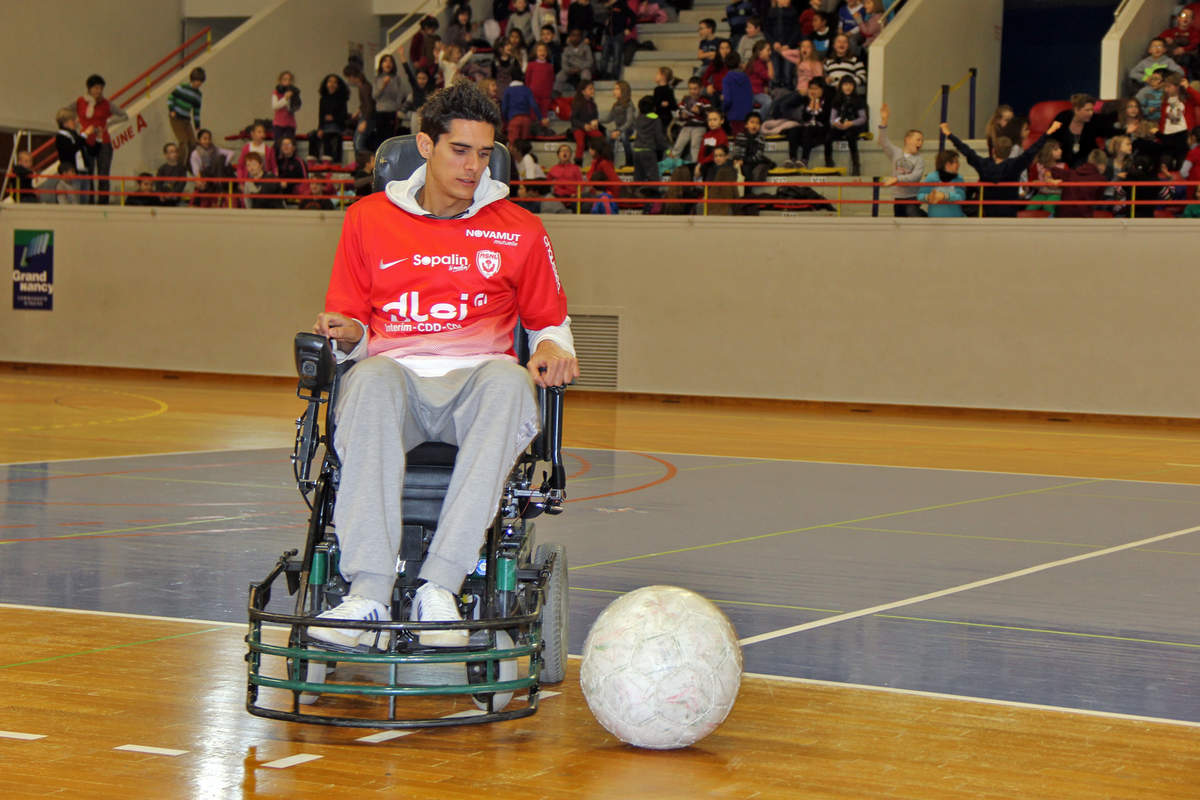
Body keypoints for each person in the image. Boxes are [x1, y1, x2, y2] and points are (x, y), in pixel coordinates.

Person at [308, 81, 577, 648]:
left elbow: (550, 324)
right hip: (396, 380)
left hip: (478, 385)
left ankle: (440, 587)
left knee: (510, 381)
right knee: (369, 377)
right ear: (426, 145)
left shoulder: (520, 229)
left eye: (483, 153)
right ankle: (368, 595)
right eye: (460, 151)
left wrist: (554, 347)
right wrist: (349, 334)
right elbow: (350, 324)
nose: (473, 167)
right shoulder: (366, 219)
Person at [942, 118, 1062, 217]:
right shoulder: (1014, 165)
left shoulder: (983, 164)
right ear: (1009, 151)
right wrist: (1049, 131)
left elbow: (966, 150)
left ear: (993, 150)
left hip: (988, 212)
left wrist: (949, 134)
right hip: (1009, 212)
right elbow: (1033, 150)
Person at [76, 74, 127, 205]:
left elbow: (124, 115)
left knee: (103, 175)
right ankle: (89, 203)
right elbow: (67, 114)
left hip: (103, 141)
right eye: (96, 88)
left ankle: (103, 203)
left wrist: (109, 123)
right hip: (86, 142)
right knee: (88, 175)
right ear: (89, 88)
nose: (98, 91)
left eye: (101, 88)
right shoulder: (80, 102)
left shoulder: (106, 104)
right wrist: (78, 126)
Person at [877, 102, 925, 217]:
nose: (920, 143)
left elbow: (915, 177)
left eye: (922, 141)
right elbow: (883, 141)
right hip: (898, 198)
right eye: (918, 140)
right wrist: (884, 121)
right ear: (907, 140)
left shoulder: (919, 160)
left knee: (913, 219)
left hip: (912, 198)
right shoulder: (896, 152)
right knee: (900, 222)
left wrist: (897, 179)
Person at [1048, 94, 1105, 167]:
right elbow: (1049, 139)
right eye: (1087, 110)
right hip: (1061, 161)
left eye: (1092, 110)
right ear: (1076, 110)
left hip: (1085, 163)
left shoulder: (1093, 121)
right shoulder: (1062, 118)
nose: (1091, 113)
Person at [785, 80, 831, 168]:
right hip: (808, 130)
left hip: (821, 130)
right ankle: (792, 158)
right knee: (793, 130)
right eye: (811, 89)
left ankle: (804, 159)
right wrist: (811, 103)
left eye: (816, 89)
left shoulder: (827, 102)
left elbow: (822, 118)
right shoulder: (807, 101)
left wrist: (816, 105)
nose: (813, 91)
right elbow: (805, 118)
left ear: (822, 90)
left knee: (808, 129)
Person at [828, 75, 866, 174]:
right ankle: (829, 163)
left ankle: (856, 165)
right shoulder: (836, 100)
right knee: (828, 137)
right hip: (840, 126)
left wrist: (851, 123)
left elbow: (863, 118)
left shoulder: (859, 100)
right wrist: (837, 124)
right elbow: (831, 119)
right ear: (841, 86)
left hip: (853, 126)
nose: (848, 87)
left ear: (854, 86)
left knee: (851, 136)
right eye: (845, 84)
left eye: (850, 84)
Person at [731, 111, 774, 197]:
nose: (754, 125)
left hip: (754, 161)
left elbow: (758, 156)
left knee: (747, 168)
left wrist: (744, 161)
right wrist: (737, 159)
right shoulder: (740, 135)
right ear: (746, 125)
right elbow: (737, 151)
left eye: (757, 123)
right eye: (752, 122)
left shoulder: (760, 138)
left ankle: (747, 194)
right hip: (742, 161)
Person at [1158, 73, 1200, 161]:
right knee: (1165, 161)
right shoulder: (1164, 102)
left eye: (1169, 86)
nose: (1166, 89)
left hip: (1183, 135)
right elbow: (1163, 121)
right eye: (1165, 87)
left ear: (1177, 86)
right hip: (1168, 136)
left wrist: (1188, 88)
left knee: (1182, 161)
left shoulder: (1187, 99)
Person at [631, 95, 668, 192]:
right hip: (648, 152)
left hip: (636, 151)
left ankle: (636, 198)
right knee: (653, 180)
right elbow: (659, 138)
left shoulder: (639, 118)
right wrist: (667, 149)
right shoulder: (656, 120)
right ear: (654, 108)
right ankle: (653, 200)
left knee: (638, 179)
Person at [1057, 149, 1109, 218]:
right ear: (1102, 165)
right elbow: (1097, 199)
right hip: (1083, 217)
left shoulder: (1072, 173)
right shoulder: (1101, 179)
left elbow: (1053, 170)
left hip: (1063, 215)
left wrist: (1050, 179)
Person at [167, 67, 205, 161]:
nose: (199, 84)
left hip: (186, 119)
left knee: (192, 143)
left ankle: (189, 163)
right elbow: (170, 97)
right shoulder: (182, 87)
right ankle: (179, 164)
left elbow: (196, 111)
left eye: (201, 82)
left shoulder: (198, 95)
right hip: (176, 118)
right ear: (192, 80)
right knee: (183, 142)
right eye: (197, 81)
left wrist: (197, 125)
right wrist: (171, 109)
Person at [671, 77, 713, 160]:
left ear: (701, 88)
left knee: (695, 146)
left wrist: (700, 111)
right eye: (690, 89)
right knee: (678, 145)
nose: (692, 91)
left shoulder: (705, 101)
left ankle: (695, 163)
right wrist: (681, 115)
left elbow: (710, 115)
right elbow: (678, 112)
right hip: (687, 126)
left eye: (695, 89)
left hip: (699, 126)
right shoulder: (686, 99)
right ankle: (673, 163)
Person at [915, 150, 966, 217]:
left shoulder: (959, 178)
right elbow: (919, 196)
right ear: (947, 164)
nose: (959, 165)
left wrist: (944, 196)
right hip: (935, 220)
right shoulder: (932, 177)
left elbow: (961, 197)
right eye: (956, 162)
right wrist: (928, 197)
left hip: (955, 219)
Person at [54, 108, 89, 203]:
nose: (76, 122)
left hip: (83, 171)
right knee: (74, 200)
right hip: (72, 172)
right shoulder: (61, 137)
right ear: (65, 123)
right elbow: (72, 149)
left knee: (85, 200)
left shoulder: (75, 135)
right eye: (73, 120)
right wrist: (84, 135)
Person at [373, 55, 408, 144]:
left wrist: (398, 107)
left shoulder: (396, 78)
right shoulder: (377, 78)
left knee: (391, 138)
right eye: (385, 61)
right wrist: (383, 85)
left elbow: (401, 94)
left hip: (392, 111)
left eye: (390, 61)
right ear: (381, 64)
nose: (388, 63)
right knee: (380, 138)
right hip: (380, 111)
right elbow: (375, 96)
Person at [501, 68, 542, 143]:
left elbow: (504, 107)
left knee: (513, 143)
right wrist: (540, 118)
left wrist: (506, 119)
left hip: (514, 118)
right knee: (524, 143)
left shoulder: (508, 90)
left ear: (510, 77)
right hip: (526, 119)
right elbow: (534, 105)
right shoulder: (526, 89)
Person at [317, 73, 350, 162]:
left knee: (328, 136)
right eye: (330, 82)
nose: (332, 84)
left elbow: (344, 116)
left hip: (338, 126)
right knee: (313, 135)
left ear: (338, 85)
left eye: (334, 82)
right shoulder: (323, 99)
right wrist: (320, 128)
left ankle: (330, 160)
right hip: (326, 126)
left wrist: (333, 118)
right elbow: (321, 115)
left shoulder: (342, 99)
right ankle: (314, 160)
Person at [344, 64, 376, 154]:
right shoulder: (363, 86)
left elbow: (369, 105)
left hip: (367, 118)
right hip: (366, 117)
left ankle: (363, 160)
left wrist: (365, 121)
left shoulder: (364, 87)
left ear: (352, 77)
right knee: (358, 141)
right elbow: (365, 103)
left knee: (358, 142)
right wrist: (358, 111)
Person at [570, 80, 604, 163]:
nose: (593, 90)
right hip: (578, 127)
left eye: (593, 88)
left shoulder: (593, 104)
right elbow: (573, 119)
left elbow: (595, 117)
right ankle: (578, 163)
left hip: (589, 128)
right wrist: (583, 126)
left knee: (600, 137)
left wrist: (595, 122)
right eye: (590, 89)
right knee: (580, 143)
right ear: (583, 91)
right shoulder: (577, 103)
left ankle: (598, 160)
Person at [604, 80, 636, 164]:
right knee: (608, 135)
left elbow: (629, 122)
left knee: (624, 135)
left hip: (629, 128)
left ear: (623, 91)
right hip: (619, 129)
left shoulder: (629, 105)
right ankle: (609, 161)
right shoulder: (615, 105)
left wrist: (619, 131)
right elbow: (609, 118)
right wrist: (597, 119)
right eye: (614, 89)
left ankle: (629, 162)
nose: (614, 91)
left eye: (617, 89)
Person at [555, 28, 595, 96]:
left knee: (586, 74)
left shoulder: (586, 47)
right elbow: (564, 63)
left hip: (582, 68)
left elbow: (590, 61)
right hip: (570, 69)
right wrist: (569, 69)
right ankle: (556, 93)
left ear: (581, 37)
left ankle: (584, 94)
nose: (576, 38)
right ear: (569, 37)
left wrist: (580, 68)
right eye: (573, 35)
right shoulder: (566, 49)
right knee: (560, 75)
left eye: (578, 35)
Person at [721, 53, 754, 134]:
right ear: (739, 63)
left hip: (733, 115)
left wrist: (723, 109)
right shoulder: (746, 77)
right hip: (747, 114)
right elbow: (751, 96)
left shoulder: (727, 79)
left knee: (738, 139)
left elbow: (727, 100)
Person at [271, 70, 301, 157]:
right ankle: (277, 160)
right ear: (280, 81)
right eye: (284, 79)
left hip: (290, 123)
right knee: (278, 144)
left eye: (289, 80)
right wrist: (285, 98)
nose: (287, 82)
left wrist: (293, 98)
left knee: (290, 145)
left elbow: (296, 106)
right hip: (278, 123)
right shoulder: (276, 92)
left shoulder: (294, 92)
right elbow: (275, 106)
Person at [547, 142, 585, 211]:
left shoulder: (576, 168)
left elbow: (581, 185)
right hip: (557, 197)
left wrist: (576, 194)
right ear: (558, 155)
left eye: (567, 151)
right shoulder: (553, 169)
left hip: (572, 197)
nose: (564, 152)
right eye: (562, 151)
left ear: (570, 155)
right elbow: (547, 183)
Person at [525, 42, 556, 123]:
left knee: (544, 112)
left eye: (544, 50)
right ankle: (533, 126)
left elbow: (552, 79)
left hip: (545, 95)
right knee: (533, 111)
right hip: (533, 93)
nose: (542, 52)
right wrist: (529, 91)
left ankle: (543, 126)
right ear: (535, 52)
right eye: (540, 50)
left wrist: (549, 92)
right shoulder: (531, 65)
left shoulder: (549, 66)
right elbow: (527, 79)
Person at [697, 109, 730, 179]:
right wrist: (699, 163)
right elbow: (701, 150)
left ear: (722, 121)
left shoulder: (722, 136)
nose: (711, 122)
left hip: (716, 162)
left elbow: (716, 155)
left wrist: (702, 163)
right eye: (709, 120)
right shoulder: (706, 135)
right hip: (705, 162)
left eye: (715, 120)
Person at [275, 135, 308, 204]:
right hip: (280, 193)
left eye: (288, 144)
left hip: (294, 194)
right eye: (283, 144)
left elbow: (304, 179)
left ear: (293, 147)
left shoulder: (299, 162)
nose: (285, 147)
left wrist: (288, 184)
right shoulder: (278, 161)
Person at [653, 67, 677, 133]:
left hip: (665, 117)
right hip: (657, 115)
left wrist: (668, 104)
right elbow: (655, 102)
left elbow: (674, 106)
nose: (656, 76)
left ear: (663, 76)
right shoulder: (657, 89)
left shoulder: (669, 90)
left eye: (657, 74)